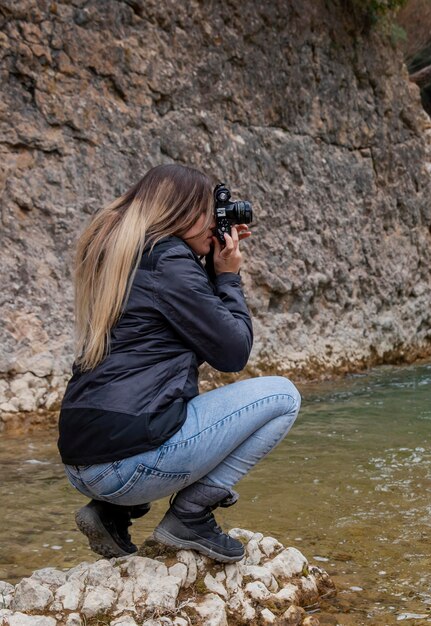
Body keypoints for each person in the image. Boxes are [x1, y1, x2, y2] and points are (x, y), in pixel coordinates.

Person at [58, 164, 301, 563]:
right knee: (282, 396)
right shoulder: (169, 260)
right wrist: (227, 277)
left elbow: (176, 326)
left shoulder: (122, 254)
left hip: (82, 463)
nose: (214, 224)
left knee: (162, 403)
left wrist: (205, 262)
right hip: (125, 468)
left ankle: (111, 512)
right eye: (208, 212)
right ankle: (190, 515)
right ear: (182, 212)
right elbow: (232, 352)